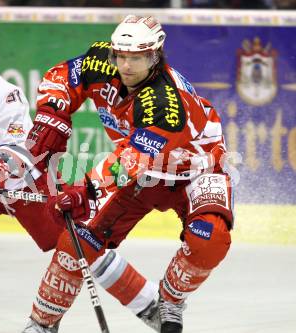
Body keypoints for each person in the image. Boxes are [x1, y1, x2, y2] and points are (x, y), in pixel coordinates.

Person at [0, 30, 161, 333]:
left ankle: (150, 303)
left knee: (79, 245)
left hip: (24, 182)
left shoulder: (3, 94)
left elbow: (23, 148)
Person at [23, 15, 233, 333]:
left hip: (197, 169)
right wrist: (53, 113)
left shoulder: (165, 103)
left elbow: (133, 160)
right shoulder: (102, 62)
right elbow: (62, 77)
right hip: (143, 171)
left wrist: (88, 189)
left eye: (136, 58)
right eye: (121, 56)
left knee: (210, 238)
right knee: (76, 240)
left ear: (155, 56)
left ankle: (170, 300)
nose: (126, 65)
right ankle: (41, 325)